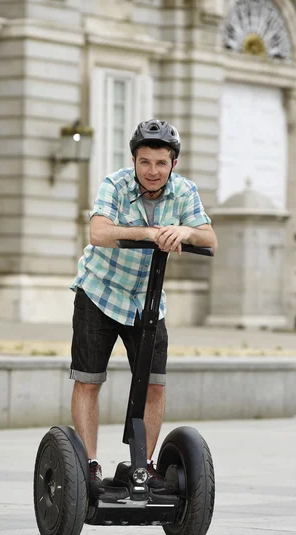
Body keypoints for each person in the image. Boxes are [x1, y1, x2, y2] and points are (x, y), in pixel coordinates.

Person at [69, 119, 218, 497]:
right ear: (134, 161)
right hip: (99, 292)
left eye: (161, 163)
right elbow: (98, 232)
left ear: (173, 164)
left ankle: (142, 468)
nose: (153, 171)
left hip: (147, 300)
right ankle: (87, 466)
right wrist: (151, 234)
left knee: (154, 385)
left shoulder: (184, 192)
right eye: (145, 162)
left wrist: (185, 231)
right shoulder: (115, 185)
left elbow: (210, 240)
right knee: (89, 379)